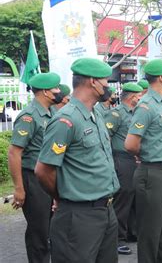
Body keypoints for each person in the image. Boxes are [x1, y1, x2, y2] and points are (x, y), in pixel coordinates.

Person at [35, 58, 120, 262]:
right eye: (106, 81)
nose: (109, 86)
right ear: (93, 82)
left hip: (106, 211)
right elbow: (43, 170)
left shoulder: (95, 115)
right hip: (79, 216)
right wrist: (62, 196)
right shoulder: (66, 120)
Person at [123, 59, 162, 263]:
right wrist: (144, 154)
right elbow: (130, 144)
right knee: (150, 232)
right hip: (153, 173)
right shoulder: (146, 105)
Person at [8, 72, 61, 263]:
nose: (59, 91)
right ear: (46, 92)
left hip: (51, 177)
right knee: (38, 232)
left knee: (53, 229)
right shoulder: (29, 116)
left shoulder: (53, 113)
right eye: (56, 88)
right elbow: (14, 153)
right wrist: (19, 189)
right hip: (33, 181)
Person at [103, 82, 143, 255]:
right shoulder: (116, 113)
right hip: (121, 160)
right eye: (140, 96)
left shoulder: (136, 113)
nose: (142, 99)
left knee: (134, 198)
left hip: (133, 160)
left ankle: (132, 233)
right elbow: (106, 138)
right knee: (123, 198)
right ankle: (117, 239)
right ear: (133, 97)